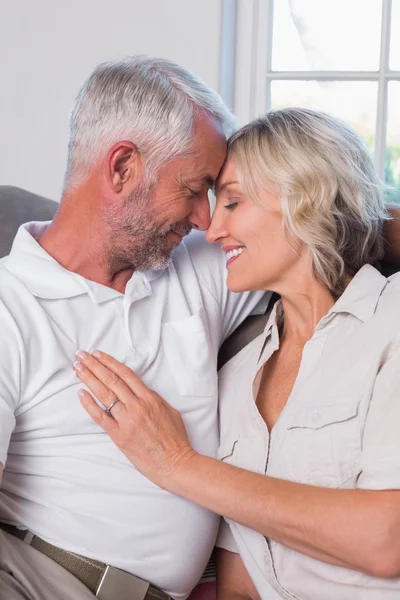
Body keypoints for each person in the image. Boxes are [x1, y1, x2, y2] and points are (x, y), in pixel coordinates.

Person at [75, 108, 400, 600]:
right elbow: (242, 579)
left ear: (304, 198)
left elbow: (385, 541)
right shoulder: (236, 374)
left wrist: (178, 464)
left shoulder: (389, 326)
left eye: (232, 203)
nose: (212, 231)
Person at [0, 55, 271, 600]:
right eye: (194, 189)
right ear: (122, 167)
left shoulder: (198, 265)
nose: (205, 218)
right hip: (37, 579)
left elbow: (325, 219)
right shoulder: (11, 307)